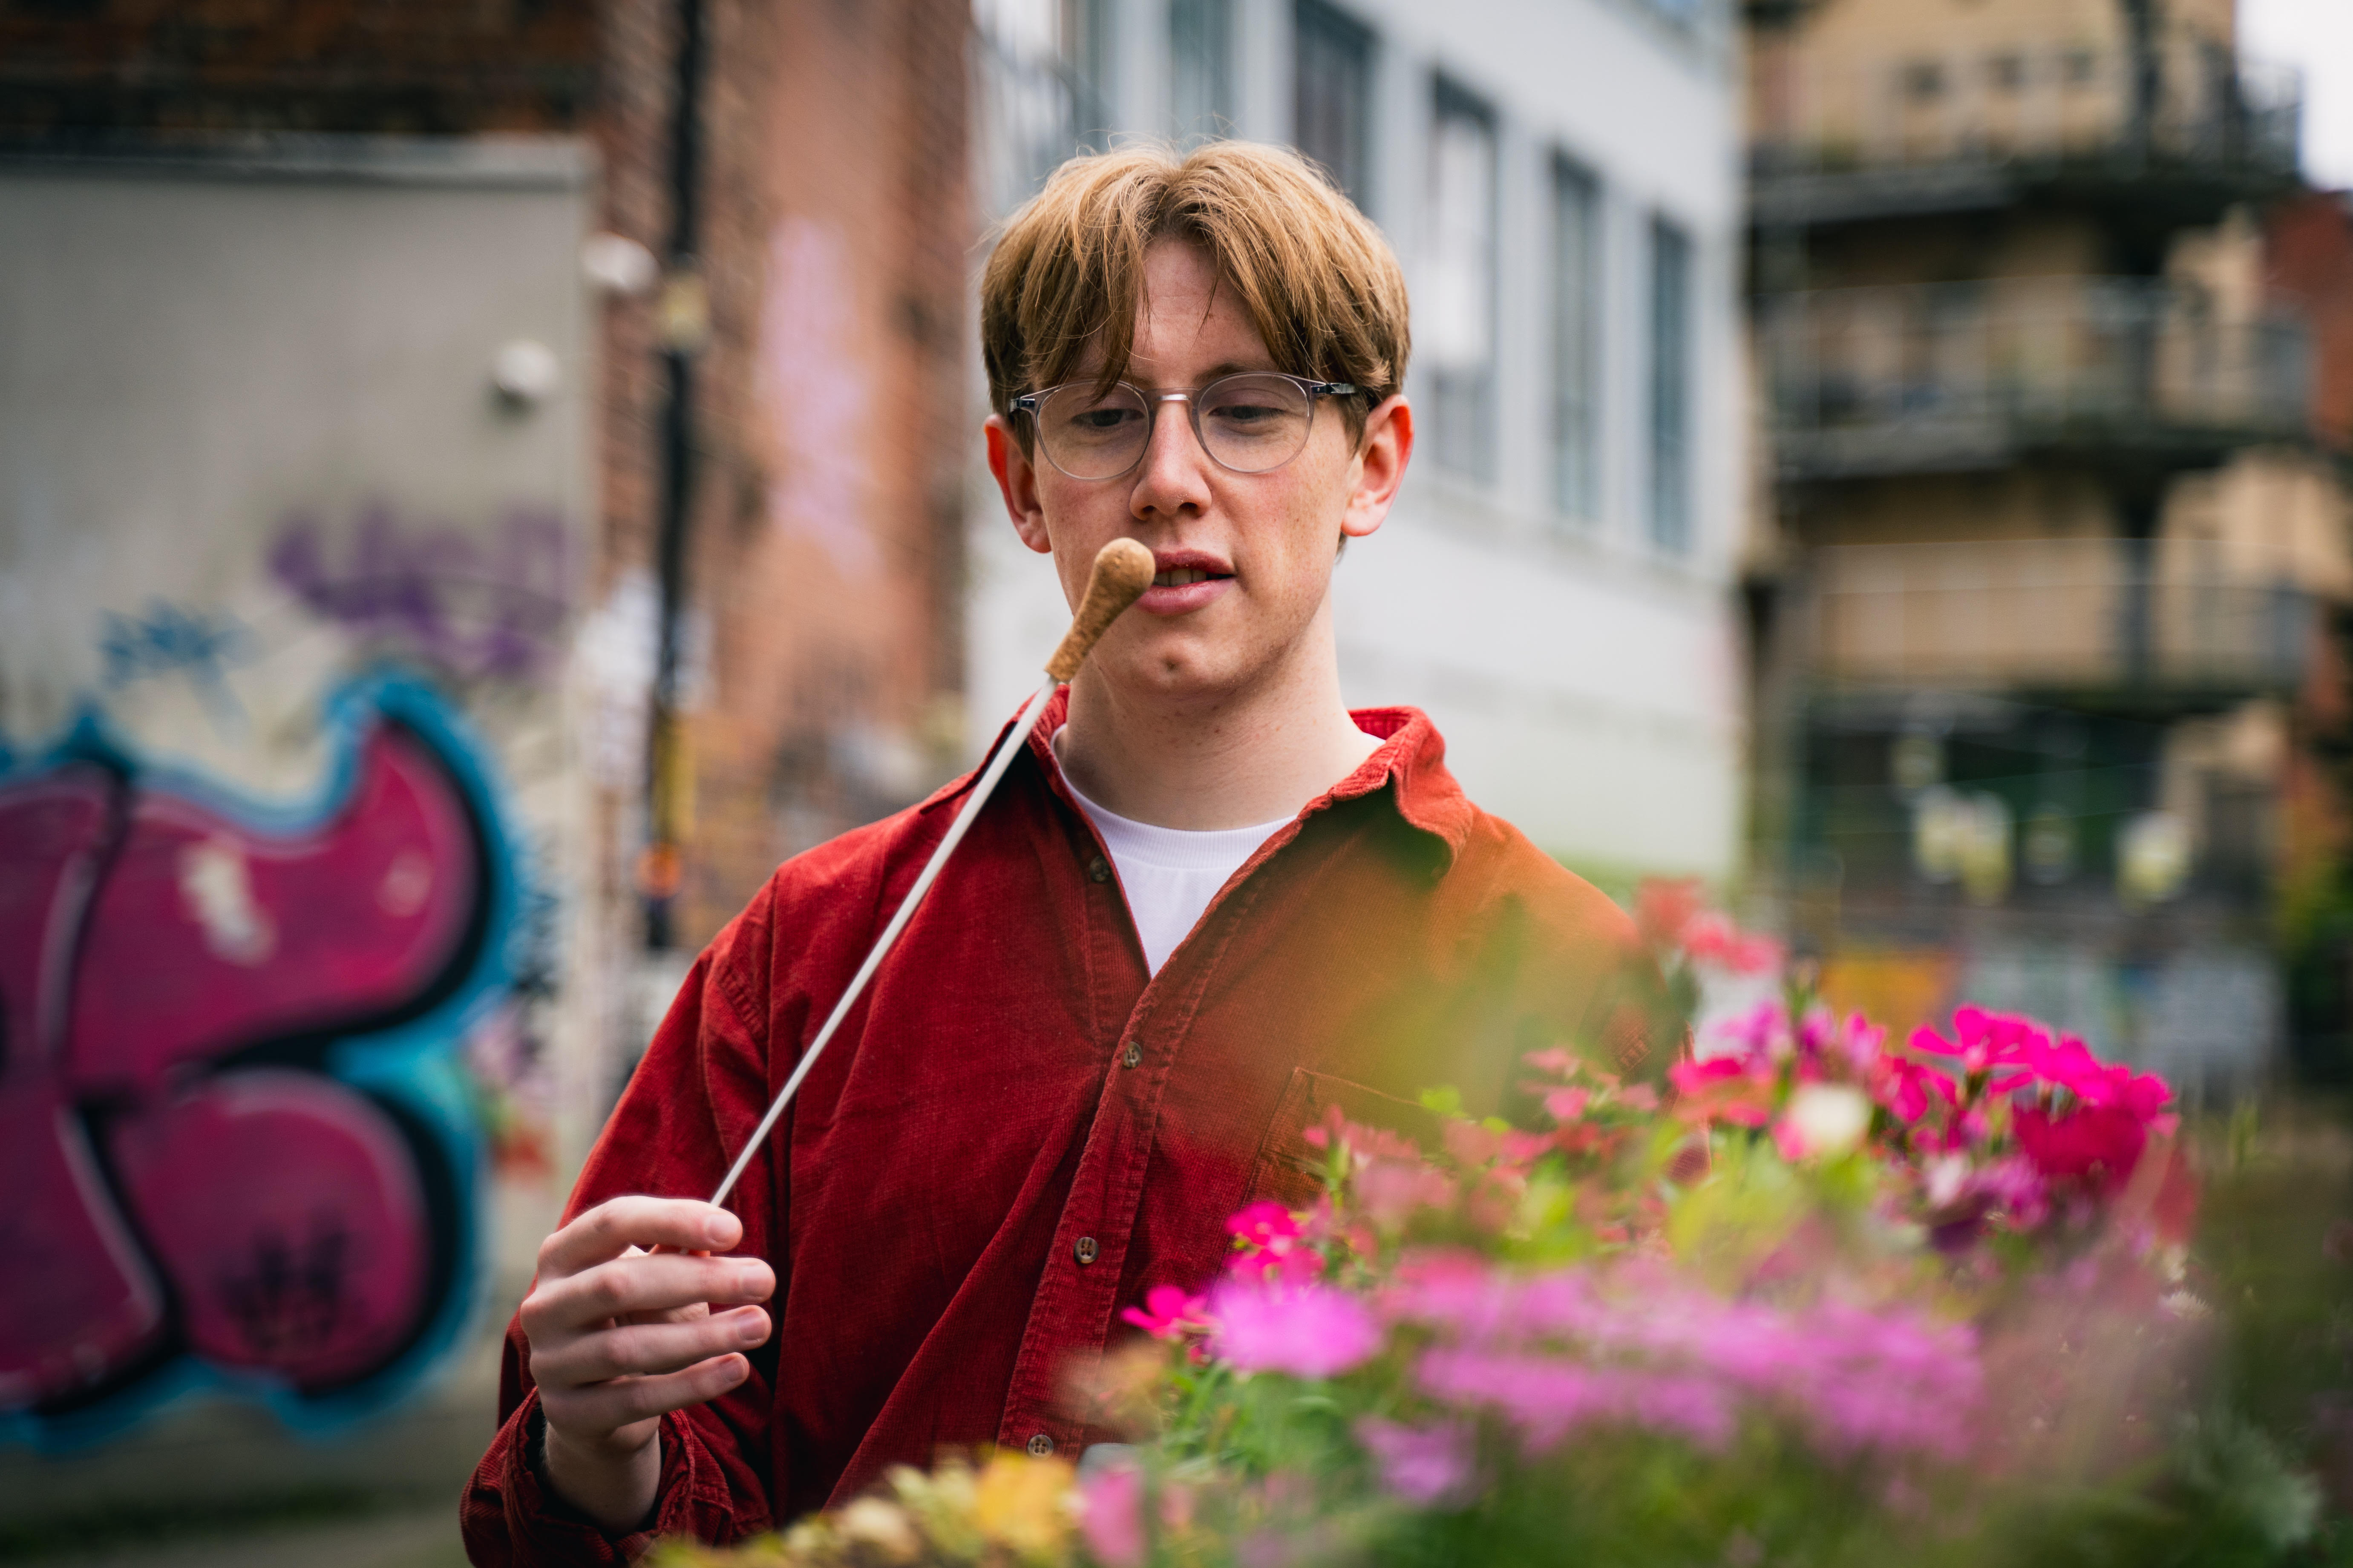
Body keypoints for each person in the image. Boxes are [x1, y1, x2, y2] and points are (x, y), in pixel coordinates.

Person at [460, 141, 1670, 1565]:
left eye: (1249, 409)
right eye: (1101, 417)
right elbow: (594, 1512)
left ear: (1375, 465)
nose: (1168, 479)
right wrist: (597, 1438)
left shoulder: (1553, 966)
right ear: (1022, 484)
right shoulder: (812, 946)